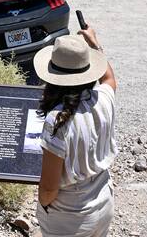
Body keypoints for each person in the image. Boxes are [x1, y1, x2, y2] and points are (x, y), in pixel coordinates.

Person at [32, 27, 118, 237]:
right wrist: (95, 45)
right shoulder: (102, 98)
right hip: (103, 199)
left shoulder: (57, 120)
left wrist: (43, 205)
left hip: (69, 214)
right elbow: (109, 79)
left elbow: (49, 188)